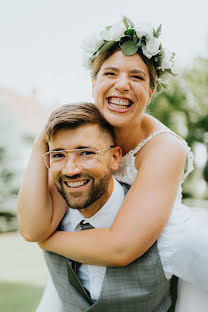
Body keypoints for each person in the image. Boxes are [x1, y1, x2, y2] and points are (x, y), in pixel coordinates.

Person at [18, 16, 208, 311]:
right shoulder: (79, 130)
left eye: (136, 76)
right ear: (93, 82)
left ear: (152, 90)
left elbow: (121, 247)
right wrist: (42, 139)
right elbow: (32, 228)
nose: (122, 85)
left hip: (160, 249)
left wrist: (49, 242)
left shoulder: (166, 148)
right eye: (110, 73)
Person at [36, 102, 177, 311]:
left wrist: (45, 241)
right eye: (58, 155)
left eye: (85, 153)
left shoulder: (172, 233)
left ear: (115, 158)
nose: (70, 169)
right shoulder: (49, 220)